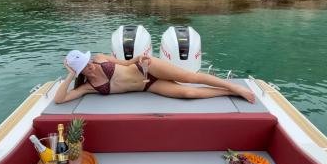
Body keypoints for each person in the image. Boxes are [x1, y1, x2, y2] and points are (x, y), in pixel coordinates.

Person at [54, 50, 255, 104]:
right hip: (148, 86)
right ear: (79, 72)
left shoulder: (100, 58)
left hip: (146, 69)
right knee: (188, 93)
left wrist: (140, 58)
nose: (89, 66)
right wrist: (70, 75)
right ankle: (227, 92)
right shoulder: (88, 87)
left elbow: (125, 63)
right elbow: (60, 99)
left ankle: (235, 87)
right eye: (83, 68)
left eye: (87, 62)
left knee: (187, 76)